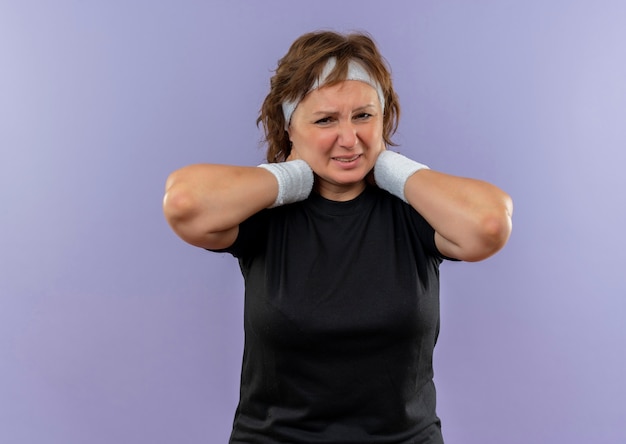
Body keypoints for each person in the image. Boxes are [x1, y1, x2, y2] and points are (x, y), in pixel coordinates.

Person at [163, 30, 513, 444]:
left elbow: (489, 225)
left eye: (364, 116)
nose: (349, 139)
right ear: (290, 125)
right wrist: (291, 176)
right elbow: (185, 202)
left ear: (384, 118)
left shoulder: (415, 213)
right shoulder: (263, 215)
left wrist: (390, 169)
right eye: (326, 120)